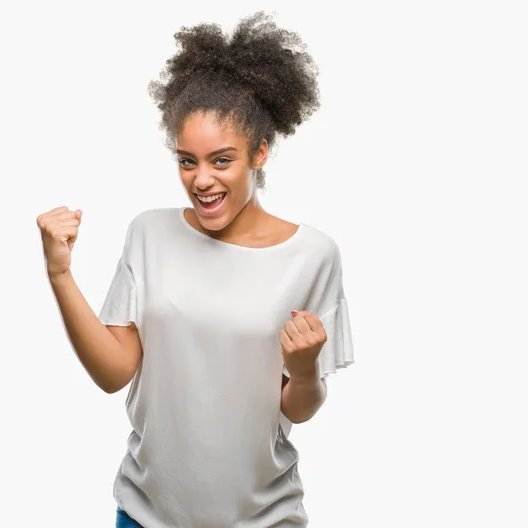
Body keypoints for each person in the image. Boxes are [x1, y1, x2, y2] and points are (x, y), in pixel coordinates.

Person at [38, 11, 354, 528]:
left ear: (260, 152)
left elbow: (298, 407)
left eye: (221, 160)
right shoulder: (149, 234)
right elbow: (114, 373)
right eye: (188, 161)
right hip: (145, 514)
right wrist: (60, 275)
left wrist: (302, 370)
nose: (201, 179)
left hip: (262, 518)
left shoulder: (313, 255)